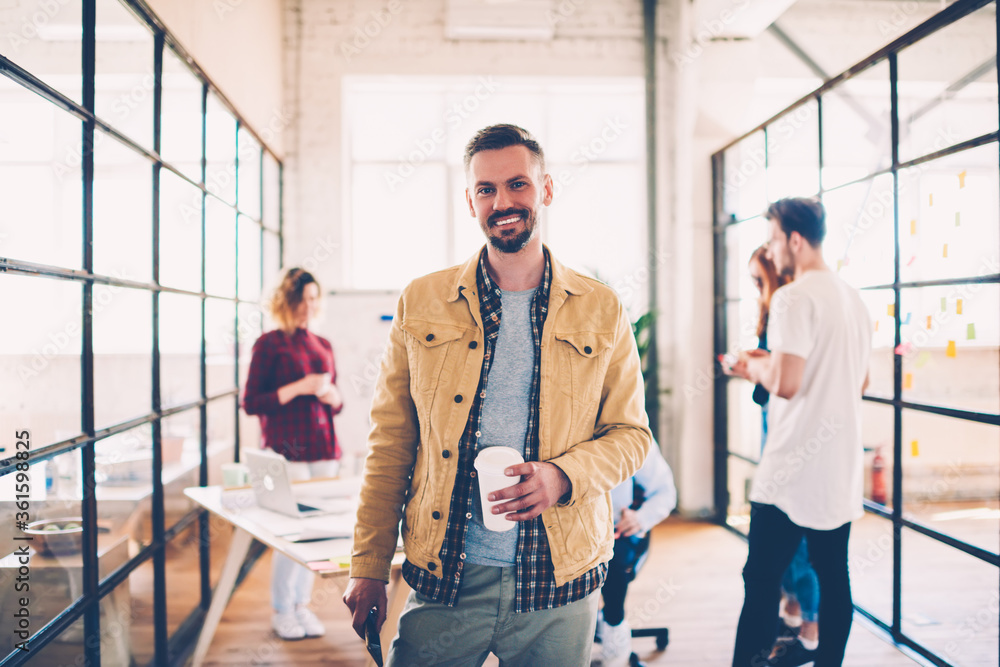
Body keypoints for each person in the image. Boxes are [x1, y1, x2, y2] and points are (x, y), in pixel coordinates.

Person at [343, 123, 652, 667]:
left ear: (546, 189)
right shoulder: (422, 302)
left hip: (558, 586)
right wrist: (367, 565)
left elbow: (631, 436)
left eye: (518, 185)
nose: (503, 202)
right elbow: (391, 442)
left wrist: (564, 476)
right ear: (470, 201)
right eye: (486, 189)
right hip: (446, 579)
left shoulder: (601, 309)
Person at [725, 198, 871, 667]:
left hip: (791, 468)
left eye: (772, 238)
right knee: (834, 577)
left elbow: (787, 383)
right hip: (839, 465)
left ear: (794, 239)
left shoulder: (794, 296)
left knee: (761, 579)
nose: (772, 249)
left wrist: (751, 369)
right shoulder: (853, 297)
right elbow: (861, 380)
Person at [242, 267, 344, 641]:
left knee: (314, 538)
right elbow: (251, 403)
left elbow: (337, 402)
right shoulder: (268, 344)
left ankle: (301, 606)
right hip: (284, 453)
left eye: (314, 299)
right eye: (301, 300)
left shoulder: (323, 344)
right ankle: (282, 610)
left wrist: (328, 394)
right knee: (290, 537)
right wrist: (300, 386)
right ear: (285, 302)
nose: (308, 307)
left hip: (324, 452)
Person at [748, 245, 820, 665]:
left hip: (792, 434)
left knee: (799, 536)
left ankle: (808, 628)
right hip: (774, 429)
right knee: (786, 535)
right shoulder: (778, 313)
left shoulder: (791, 310)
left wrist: (752, 366)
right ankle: (795, 617)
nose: (758, 290)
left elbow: (784, 383)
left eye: (760, 281)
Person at [595, 441, 677, 667]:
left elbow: (665, 492)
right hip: (564, 533)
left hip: (615, 532)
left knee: (614, 566)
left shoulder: (634, 433)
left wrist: (639, 518)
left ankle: (614, 639)